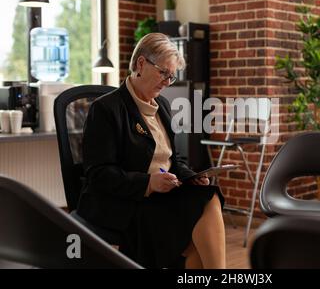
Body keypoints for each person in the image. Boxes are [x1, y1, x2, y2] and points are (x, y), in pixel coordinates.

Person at [77, 33, 226, 269]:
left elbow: (173, 159)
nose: (168, 82)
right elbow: (99, 174)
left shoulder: (162, 106)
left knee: (209, 195)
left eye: (172, 76)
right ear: (141, 64)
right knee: (197, 239)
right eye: (163, 73)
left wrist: (191, 177)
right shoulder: (105, 109)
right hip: (124, 203)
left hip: (161, 196)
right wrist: (148, 183)